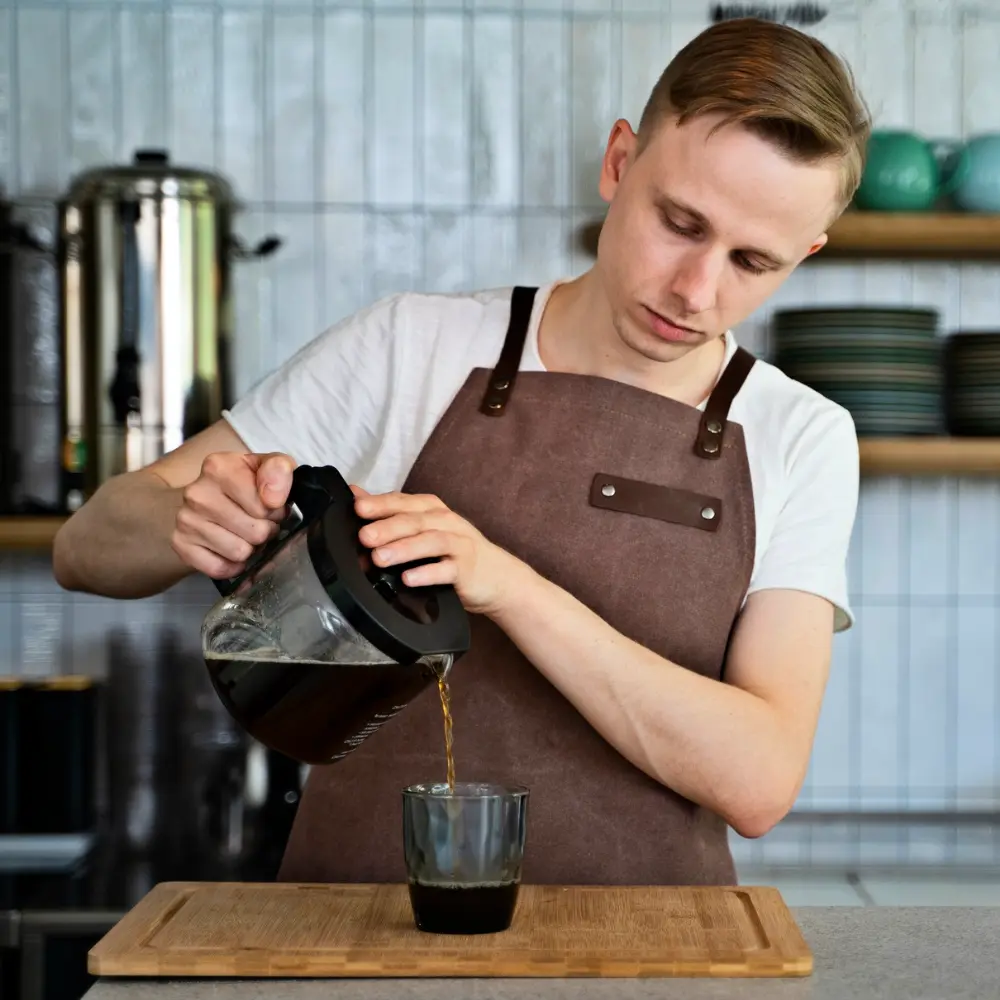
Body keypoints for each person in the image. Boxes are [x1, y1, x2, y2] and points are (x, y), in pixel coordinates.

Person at [53, 18, 871, 886]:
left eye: (754, 260)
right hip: (355, 938)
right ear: (620, 162)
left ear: (807, 253)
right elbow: (84, 548)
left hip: (648, 958)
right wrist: (189, 518)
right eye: (679, 222)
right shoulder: (414, 347)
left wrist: (510, 587)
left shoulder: (800, 436)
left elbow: (758, 781)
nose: (697, 290)